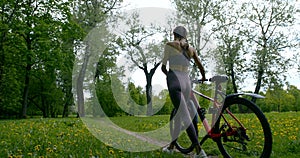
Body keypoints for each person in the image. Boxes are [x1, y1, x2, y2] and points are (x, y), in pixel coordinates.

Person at [161, 26, 207, 158]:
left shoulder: (169, 45)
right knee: (180, 115)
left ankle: (199, 151)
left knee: (185, 116)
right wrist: (203, 77)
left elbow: (163, 67)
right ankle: (171, 147)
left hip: (175, 81)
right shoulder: (191, 49)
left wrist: (170, 76)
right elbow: (200, 66)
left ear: (174, 34)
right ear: (185, 35)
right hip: (187, 83)